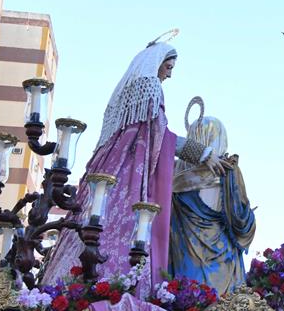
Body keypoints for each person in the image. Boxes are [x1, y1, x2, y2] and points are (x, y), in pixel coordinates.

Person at [42, 36, 229, 297]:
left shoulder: (126, 90)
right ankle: (122, 288)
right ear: (157, 62)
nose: (169, 75)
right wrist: (202, 152)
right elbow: (160, 136)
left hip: (112, 166)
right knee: (132, 224)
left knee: (95, 220)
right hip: (132, 174)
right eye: (169, 67)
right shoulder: (151, 86)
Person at [169, 99, 256, 295]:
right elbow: (239, 219)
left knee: (189, 310)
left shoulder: (172, 172)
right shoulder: (228, 170)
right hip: (223, 258)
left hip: (185, 259)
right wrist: (250, 215)